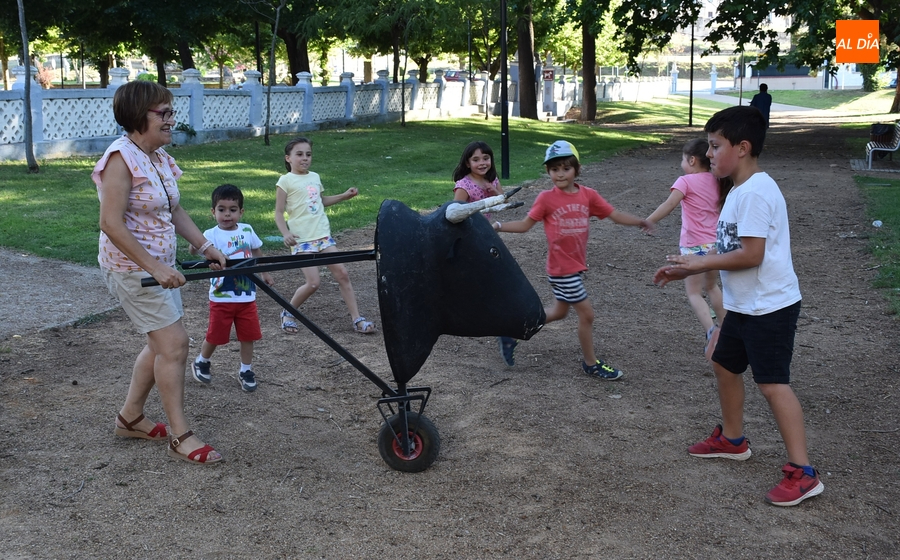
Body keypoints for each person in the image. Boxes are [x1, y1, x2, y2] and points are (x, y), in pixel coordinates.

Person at [653, 105, 823, 507]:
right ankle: (733, 440)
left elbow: (751, 255)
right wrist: (688, 267)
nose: (708, 154)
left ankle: (804, 472)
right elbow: (729, 246)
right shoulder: (736, 191)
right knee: (725, 363)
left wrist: (701, 261)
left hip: (770, 307)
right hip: (745, 304)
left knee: (772, 384)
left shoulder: (756, 193)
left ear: (742, 148)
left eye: (715, 146)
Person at [94, 80, 226, 465]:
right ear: (139, 117)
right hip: (134, 270)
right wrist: (154, 267)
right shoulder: (120, 158)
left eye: (171, 111)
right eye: (163, 113)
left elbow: (174, 209)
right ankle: (179, 435)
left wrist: (207, 247)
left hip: (160, 268)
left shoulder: (158, 156)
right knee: (174, 345)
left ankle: (130, 417)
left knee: (159, 344)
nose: (171, 119)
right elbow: (110, 223)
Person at [494, 140, 653, 378]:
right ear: (548, 172)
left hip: (574, 268)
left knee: (559, 312)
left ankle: (512, 332)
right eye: (554, 169)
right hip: (561, 270)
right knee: (587, 315)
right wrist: (498, 226)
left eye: (566, 168)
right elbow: (526, 225)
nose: (560, 174)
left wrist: (640, 221)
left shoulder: (588, 196)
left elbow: (615, 215)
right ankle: (591, 363)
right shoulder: (546, 199)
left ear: (577, 169)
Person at [274, 137, 376, 335]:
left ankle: (357, 319)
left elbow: (320, 200)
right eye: (299, 154)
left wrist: (344, 196)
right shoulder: (285, 181)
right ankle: (287, 312)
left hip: (323, 237)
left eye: (308, 154)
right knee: (313, 283)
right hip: (302, 240)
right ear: (288, 158)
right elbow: (278, 212)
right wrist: (285, 233)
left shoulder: (315, 177)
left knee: (343, 275)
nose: (305, 158)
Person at [646, 139, 729, 355]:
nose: (682, 163)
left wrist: (650, 220)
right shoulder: (717, 180)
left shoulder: (685, 181)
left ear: (692, 160)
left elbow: (669, 204)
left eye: (683, 159)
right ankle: (730, 331)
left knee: (694, 293)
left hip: (694, 249)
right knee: (712, 287)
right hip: (716, 246)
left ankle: (712, 331)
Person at [189, 184, 274, 393]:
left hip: (246, 296)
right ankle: (202, 360)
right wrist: (198, 244)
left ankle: (246, 370)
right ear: (213, 211)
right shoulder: (211, 234)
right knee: (215, 335)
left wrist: (265, 271)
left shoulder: (247, 230)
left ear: (241, 212)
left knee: (248, 335)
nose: (227, 214)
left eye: (232, 210)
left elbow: (256, 250)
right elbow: (193, 250)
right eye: (222, 209)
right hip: (221, 296)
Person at [452, 140, 504, 205]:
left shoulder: (493, 179)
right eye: (476, 160)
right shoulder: (464, 185)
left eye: (485, 158)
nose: (482, 163)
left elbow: (506, 202)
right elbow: (456, 211)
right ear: (468, 163)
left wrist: (496, 192)